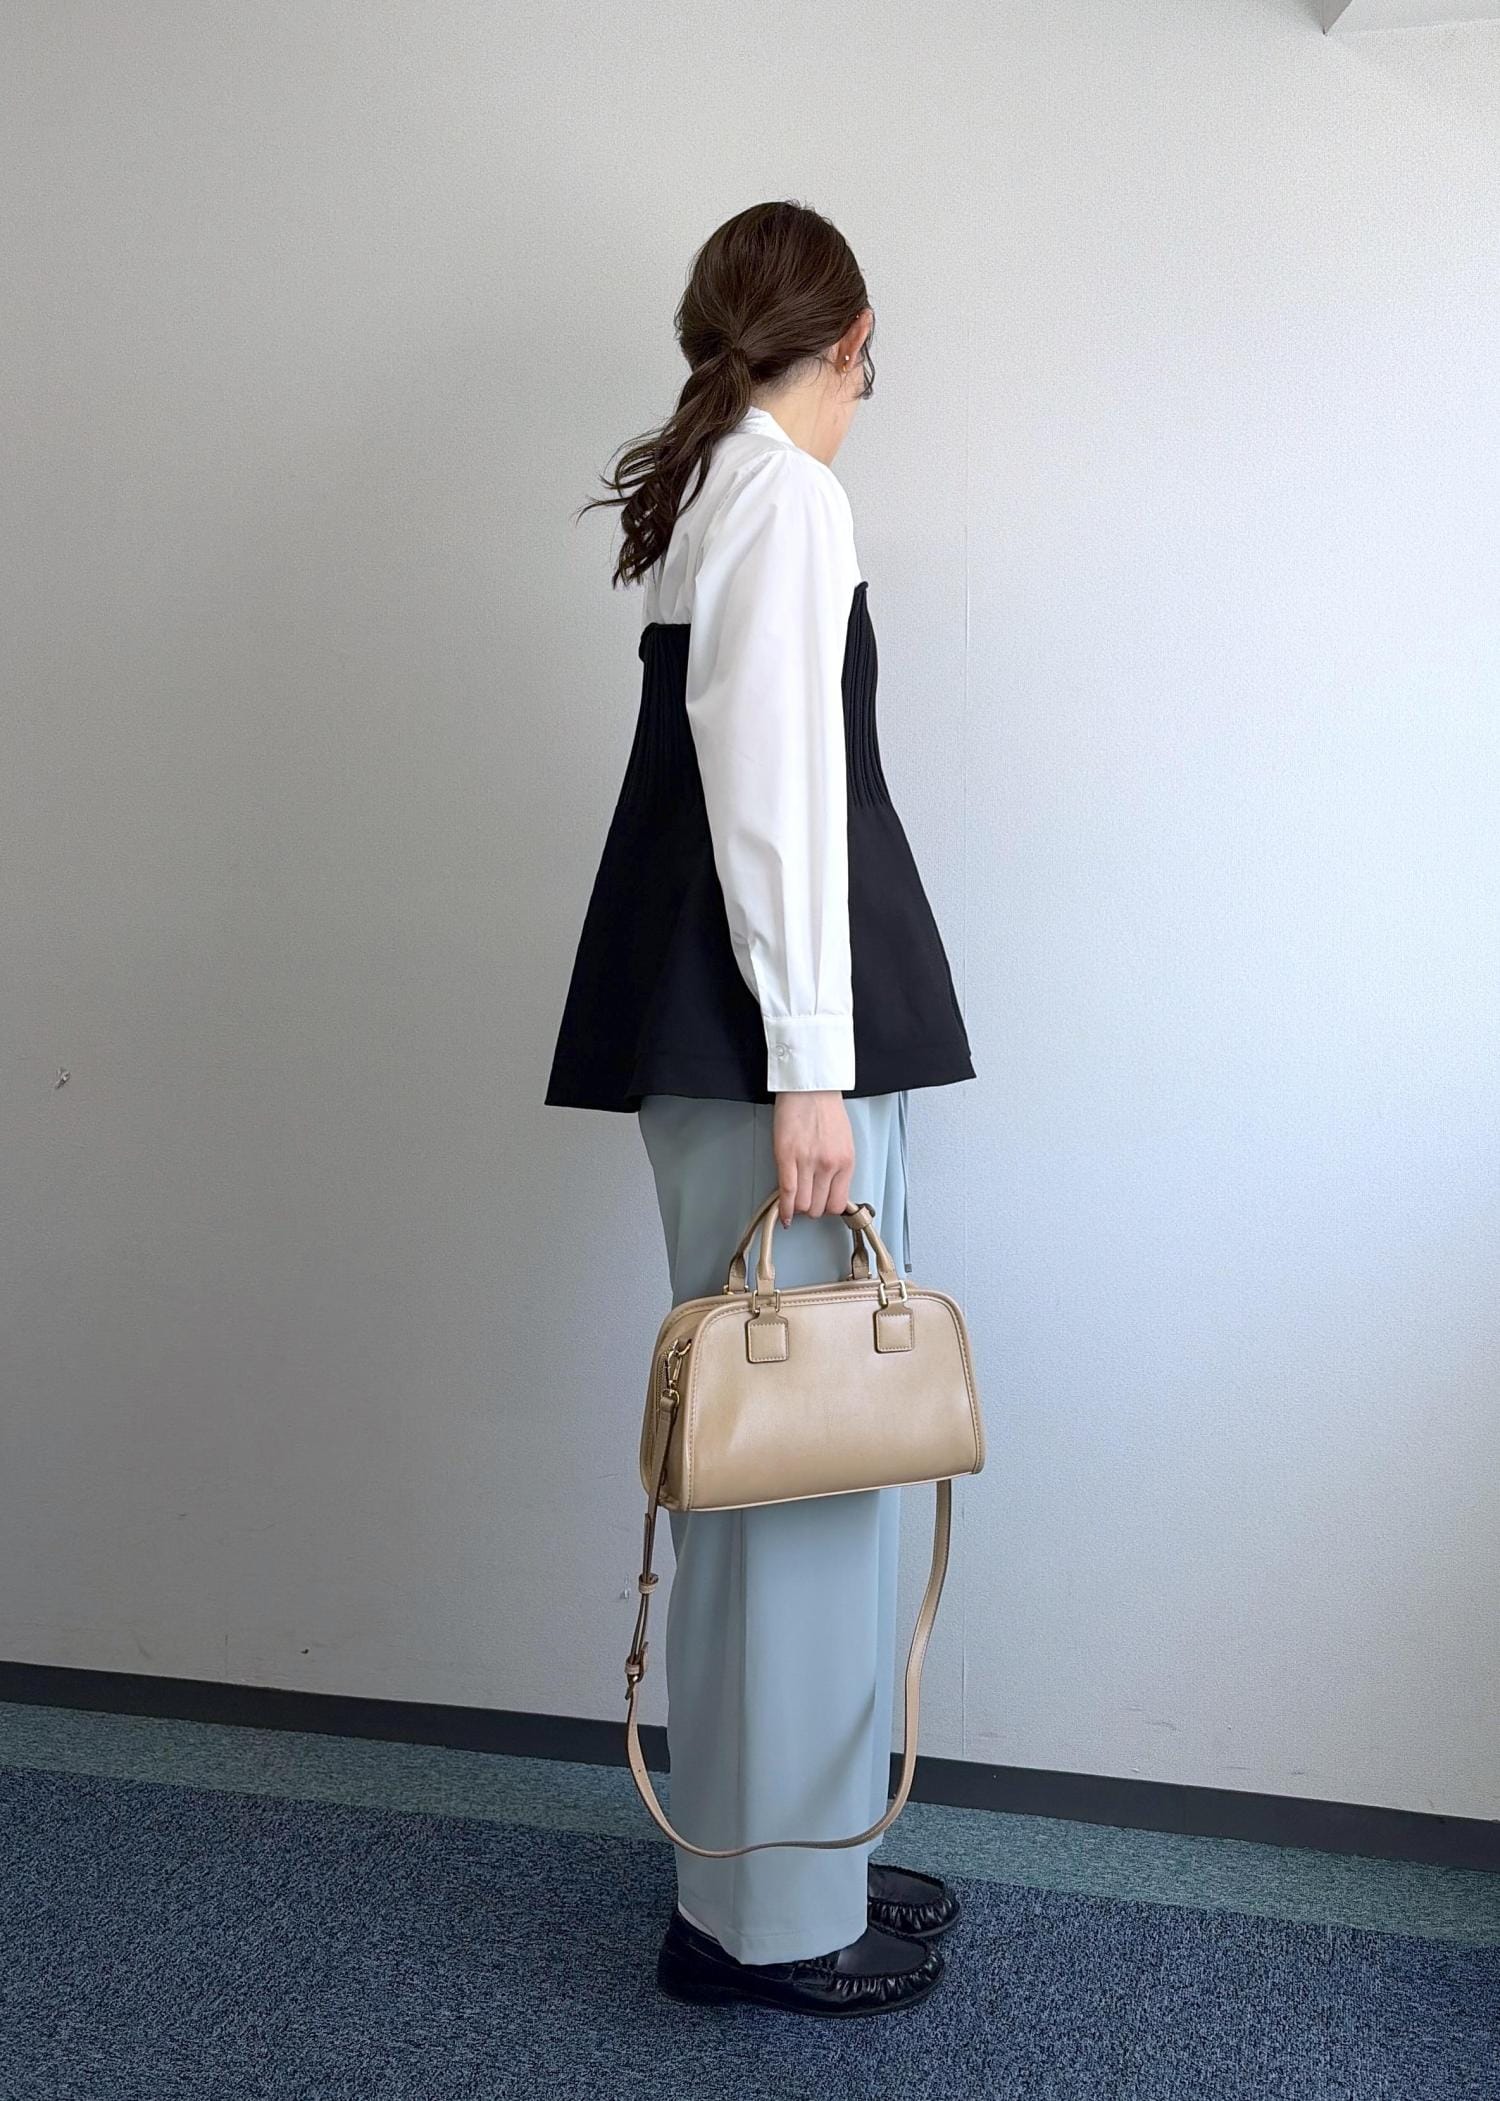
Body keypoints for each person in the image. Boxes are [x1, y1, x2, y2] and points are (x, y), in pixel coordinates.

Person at [545, 200, 975, 2017]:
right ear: (851, 338)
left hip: (729, 1036)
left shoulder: (721, 489)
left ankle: (787, 1865)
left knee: (772, 1466)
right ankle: (772, 1922)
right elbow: (776, 799)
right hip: (772, 1051)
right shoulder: (785, 497)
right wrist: (813, 1061)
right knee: (800, 1480)